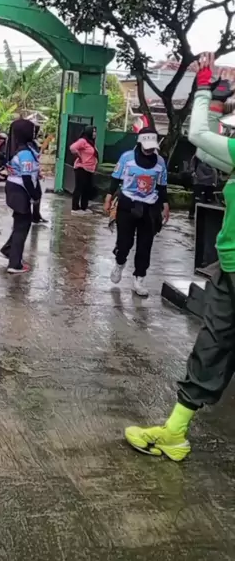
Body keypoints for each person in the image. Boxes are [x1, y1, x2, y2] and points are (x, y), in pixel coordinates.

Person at [124, 54, 235, 461]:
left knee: (216, 342)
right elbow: (205, 152)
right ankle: (174, 432)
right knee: (212, 343)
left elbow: (199, 134)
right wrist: (218, 102)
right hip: (229, 268)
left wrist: (204, 88)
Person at [104, 127, 169, 297]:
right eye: (146, 146)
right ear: (140, 143)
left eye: (152, 147)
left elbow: (162, 186)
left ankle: (139, 278)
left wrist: (165, 205)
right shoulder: (127, 158)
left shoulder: (160, 162)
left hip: (150, 208)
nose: (149, 150)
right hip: (127, 205)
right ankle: (120, 263)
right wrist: (109, 197)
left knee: (145, 245)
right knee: (124, 243)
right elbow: (115, 179)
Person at [0, 119, 40, 273]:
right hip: (20, 191)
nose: (35, 132)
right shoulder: (25, 153)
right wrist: (35, 196)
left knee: (21, 224)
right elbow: (26, 178)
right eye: (33, 130)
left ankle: (9, 249)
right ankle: (15, 264)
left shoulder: (17, 149)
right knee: (22, 227)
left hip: (14, 188)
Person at [70, 126, 98, 213]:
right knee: (79, 188)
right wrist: (79, 156)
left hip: (90, 169)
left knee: (87, 189)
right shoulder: (83, 141)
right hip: (81, 168)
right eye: (93, 131)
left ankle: (84, 207)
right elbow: (72, 148)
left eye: (95, 132)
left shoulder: (91, 142)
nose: (95, 133)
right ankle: (75, 208)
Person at [189, 155, 217, 219]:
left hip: (209, 184)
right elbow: (193, 166)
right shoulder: (197, 156)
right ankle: (192, 214)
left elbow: (215, 171)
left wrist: (214, 182)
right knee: (196, 199)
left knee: (208, 200)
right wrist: (193, 172)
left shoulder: (212, 156)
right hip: (198, 182)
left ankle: (205, 216)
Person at [30, 125, 48, 225]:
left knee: (37, 194)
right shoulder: (29, 143)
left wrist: (38, 172)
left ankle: (36, 216)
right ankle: (32, 216)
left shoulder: (34, 142)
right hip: (28, 172)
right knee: (32, 194)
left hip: (34, 172)